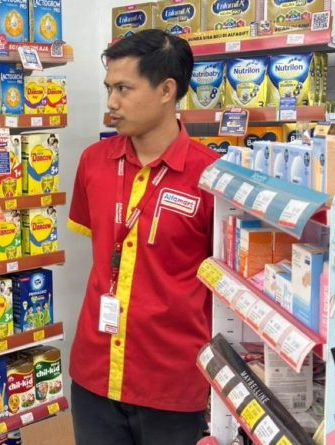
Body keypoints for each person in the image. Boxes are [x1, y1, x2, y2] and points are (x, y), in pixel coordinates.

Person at [67, 29, 220, 445]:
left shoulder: (211, 176)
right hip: (94, 374)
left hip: (172, 384)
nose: (111, 103)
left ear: (167, 90)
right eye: (109, 88)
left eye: (123, 89)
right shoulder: (93, 162)